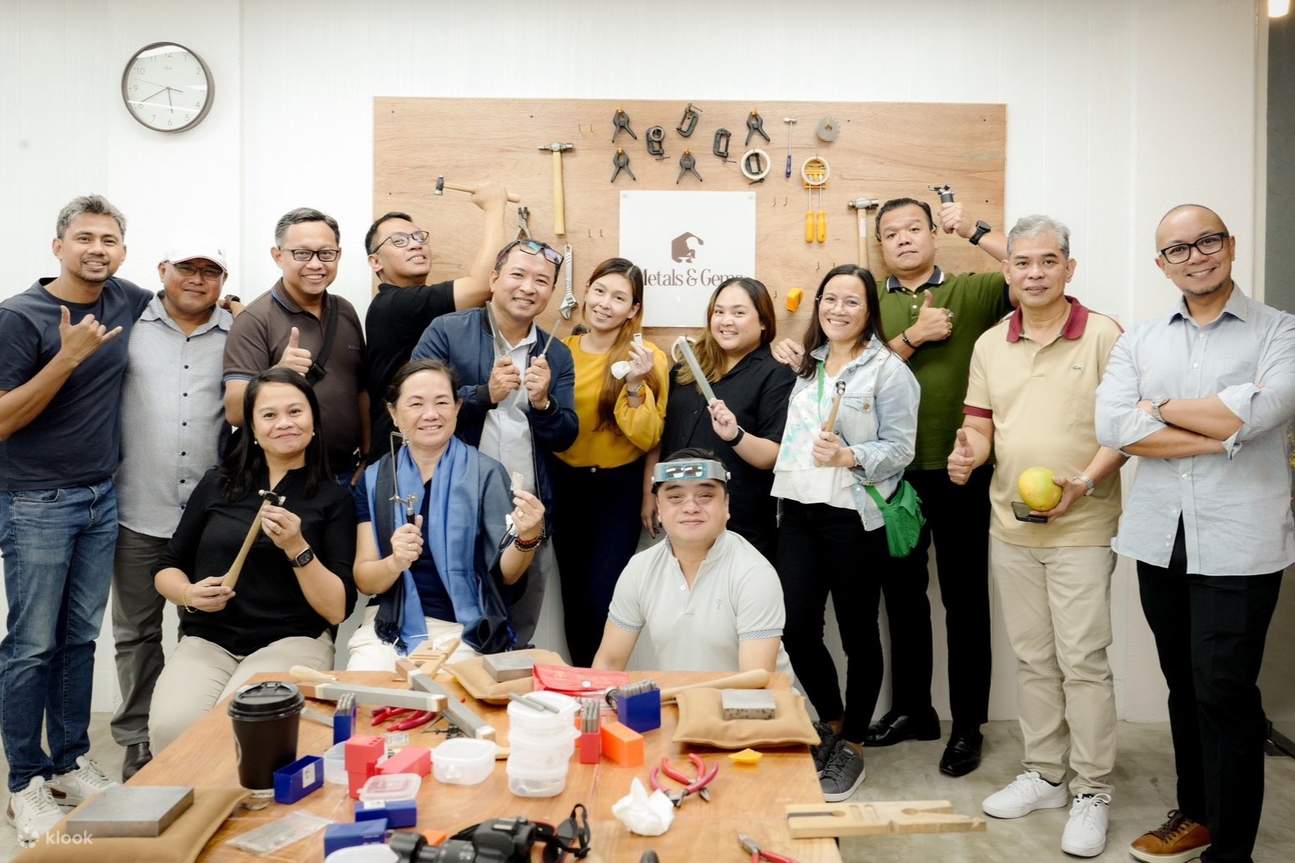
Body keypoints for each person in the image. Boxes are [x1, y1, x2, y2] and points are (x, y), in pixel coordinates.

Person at [774, 192, 1009, 776]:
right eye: (891, 233)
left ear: (934, 232)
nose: (903, 239)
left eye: (915, 229)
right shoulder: (868, 308)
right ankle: (913, 710)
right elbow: (866, 363)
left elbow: (1028, 269)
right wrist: (916, 336)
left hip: (955, 468)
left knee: (962, 599)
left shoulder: (973, 288)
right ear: (879, 246)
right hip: (884, 487)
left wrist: (976, 229)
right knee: (902, 602)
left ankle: (969, 727)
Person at [1096, 204, 1295, 863]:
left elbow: (1265, 410)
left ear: (1229, 245)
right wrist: (1220, 426)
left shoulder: (1279, 332)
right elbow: (1113, 428)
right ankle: (1198, 814)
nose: (1194, 255)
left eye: (1206, 240)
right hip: (1159, 538)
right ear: (1161, 264)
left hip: (1240, 541)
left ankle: (1229, 848)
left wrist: (1159, 411)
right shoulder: (1140, 340)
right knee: (1183, 681)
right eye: (1176, 249)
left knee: (1224, 688)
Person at [949, 216, 1124, 857]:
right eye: (1022, 263)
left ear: (1068, 268)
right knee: (1033, 658)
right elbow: (981, 422)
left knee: (1083, 661)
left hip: (1082, 523)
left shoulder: (1104, 335)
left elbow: (1125, 432)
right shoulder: (992, 343)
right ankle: (1047, 774)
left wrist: (1086, 480)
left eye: (1047, 262)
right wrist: (966, 454)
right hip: (1009, 524)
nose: (1034, 273)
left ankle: (1093, 790)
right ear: (1008, 271)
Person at [0, 195, 150, 841]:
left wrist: (230, 310)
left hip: (100, 497)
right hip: (35, 500)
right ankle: (23, 780)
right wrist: (65, 357)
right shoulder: (18, 317)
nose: (97, 248)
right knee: (30, 645)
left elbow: (183, 298)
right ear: (57, 245)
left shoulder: (125, 298)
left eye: (109, 238)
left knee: (79, 640)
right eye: (84, 237)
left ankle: (68, 761)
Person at [149, 368, 357, 752]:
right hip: (209, 639)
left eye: (295, 412)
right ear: (254, 430)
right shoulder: (218, 483)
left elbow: (336, 610)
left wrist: (297, 547)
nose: (284, 424)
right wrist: (188, 594)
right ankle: (192, 809)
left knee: (238, 724)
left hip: (292, 640)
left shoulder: (335, 499)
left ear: (314, 420)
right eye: (269, 415)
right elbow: (167, 565)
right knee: (171, 729)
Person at [772, 264, 919, 803]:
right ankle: (832, 724)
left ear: (868, 311)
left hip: (853, 516)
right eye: (829, 299)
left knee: (859, 633)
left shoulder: (888, 371)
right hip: (798, 511)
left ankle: (853, 743)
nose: (838, 309)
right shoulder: (806, 367)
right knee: (795, 627)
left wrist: (851, 454)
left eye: (851, 302)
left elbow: (902, 448)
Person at [411, 239, 578, 646]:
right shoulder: (447, 330)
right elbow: (412, 406)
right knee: (453, 633)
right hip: (453, 505)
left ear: (551, 293)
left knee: (516, 633)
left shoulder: (556, 353)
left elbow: (566, 435)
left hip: (526, 508)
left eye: (542, 280)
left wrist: (544, 403)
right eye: (518, 275)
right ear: (494, 278)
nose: (528, 287)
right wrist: (484, 394)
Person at [111, 242, 235, 781]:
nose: (198, 279)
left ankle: (193, 735)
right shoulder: (127, 325)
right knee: (136, 634)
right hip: (139, 507)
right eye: (187, 267)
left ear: (222, 279)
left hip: (206, 519)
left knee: (204, 629)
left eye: (210, 271)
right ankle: (138, 737)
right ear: (163, 271)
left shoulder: (238, 333)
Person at [347, 359, 546, 668]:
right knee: (363, 693)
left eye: (442, 402)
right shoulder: (375, 479)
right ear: (393, 413)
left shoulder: (486, 473)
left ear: (457, 407)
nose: (430, 414)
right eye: (415, 404)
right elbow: (365, 580)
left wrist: (528, 535)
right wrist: (395, 561)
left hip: (464, 627)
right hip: (389, 625)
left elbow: (508, 575)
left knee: (452, 701)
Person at [553, 258, 669, 666]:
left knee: (603, 597)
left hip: (617, 488)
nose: (605, 303)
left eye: (619, 298)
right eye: (599, 291)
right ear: (585, 292)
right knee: (571, 597)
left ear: (633, 310)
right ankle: (580, 687)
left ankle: (600, 688)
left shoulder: (647, 356)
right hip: (564, 484)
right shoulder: (559, 352)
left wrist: (647, 493)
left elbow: (651, 436)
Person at [592, 448, 793, 680]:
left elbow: (754, 682)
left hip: (754, 710)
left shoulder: (754, 574)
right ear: (658, 507)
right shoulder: (640, 568)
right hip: (681, 706)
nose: (690, 507)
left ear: (726, 505)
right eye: (675, 497)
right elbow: (608, 662)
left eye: (705, 496)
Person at [362, 186, 508, 463]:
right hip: (400, 454)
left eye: (419, 237)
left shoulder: (417, 305)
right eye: (400, 241)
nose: (416, 244)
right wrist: (494, 207)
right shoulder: (394, 305)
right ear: (376, 261)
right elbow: (482, 286)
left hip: (424, 444)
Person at [654, 277, 794, 563]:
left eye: (738, 313)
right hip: (681, 515)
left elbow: (772, 455)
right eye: (719, 312)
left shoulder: (776, 373)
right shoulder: (685, 368)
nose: (726, 321)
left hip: (742, 521)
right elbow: (661, 435)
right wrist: (650, 492)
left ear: (764, 321)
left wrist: (736, 435)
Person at [223, 207, 368, 483]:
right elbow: (234, 412)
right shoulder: (254, 319)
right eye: (301, 254)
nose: (316, 264)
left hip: (346, 474)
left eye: (326, 254)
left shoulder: (345, 311)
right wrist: (277, 373)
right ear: (277, 256)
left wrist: (367, 455)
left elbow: (360, 390)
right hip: (284, 477)